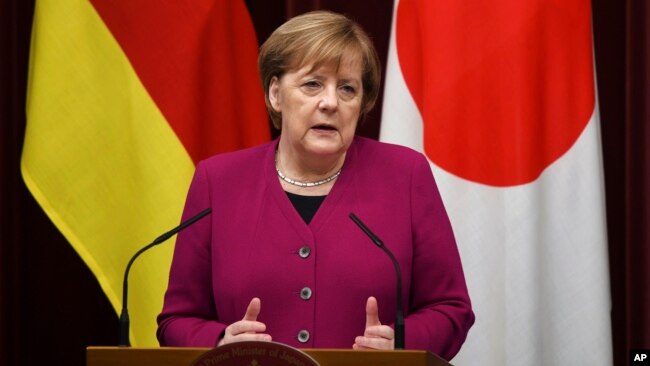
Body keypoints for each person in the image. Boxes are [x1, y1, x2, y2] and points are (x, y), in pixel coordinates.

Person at [157, 10, 474, 360]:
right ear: (276, 94)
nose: (330, 102)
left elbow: (451, 308)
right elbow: (176, 319)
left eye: (347, 88)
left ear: (362, 103)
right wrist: (219, 341)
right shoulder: (218, 181)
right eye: (312, 84)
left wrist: (400, 343)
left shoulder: (405, 175)